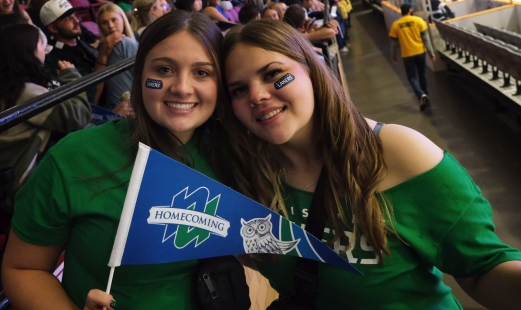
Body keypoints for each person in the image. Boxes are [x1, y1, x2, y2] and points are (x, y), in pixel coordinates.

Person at [221, 19, 521, 310]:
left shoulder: (397, 152)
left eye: (274, 74)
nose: (257, 95)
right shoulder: (249, 179)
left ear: (311, 69)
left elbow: (482, 267)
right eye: (238, 89)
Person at [1, 11, 232, 310]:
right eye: (163, 70)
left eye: (202, 72)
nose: (182, 88)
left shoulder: (233, 156)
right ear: (140, 75)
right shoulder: (75, 157)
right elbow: (23, 269)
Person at [0, 23, 91, 208]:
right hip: (21, 184)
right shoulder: (25, 94)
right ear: (29, 51)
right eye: (41, 45)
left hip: (12, 177)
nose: (45, 50)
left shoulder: (7, 87)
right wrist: (71, 77)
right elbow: (79, 117)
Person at [40, 0, 100, 102]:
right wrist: (103, 58)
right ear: (53, 28)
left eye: (74, 15)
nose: (77, 21)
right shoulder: (57, 59)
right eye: (67, 18)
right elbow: (89, 94)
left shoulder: (81, 43)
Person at [389, 3, 436, 111]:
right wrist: (431, 53)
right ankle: (425, 94)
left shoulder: (396, 24)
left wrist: (393, 56)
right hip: (420, 52)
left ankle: (421, 95)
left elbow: (394, 44)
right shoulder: (419, 21)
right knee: (422, 73)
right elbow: (426, 39)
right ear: (410, 10)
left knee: (412, 77)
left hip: (407, 54)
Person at [95, 2, 138, 109]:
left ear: (123, 20)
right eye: (104, 23)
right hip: (123, 105)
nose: (110, 26)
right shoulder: (103, 48)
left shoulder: (135, 37)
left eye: (114, 20)